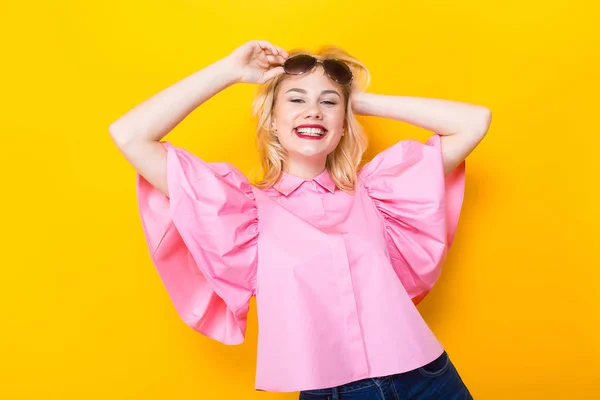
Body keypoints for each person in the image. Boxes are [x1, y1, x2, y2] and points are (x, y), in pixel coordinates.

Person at [109, 40, 490, 399]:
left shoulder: (380, 192)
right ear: (272, 120)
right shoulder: (240, 211)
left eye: (328, 102)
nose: (313, 111)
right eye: (296, 99)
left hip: (427, 378)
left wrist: (360, 101)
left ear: (343, 126)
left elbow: (474, 121)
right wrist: (228, 71)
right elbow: (129, 135)